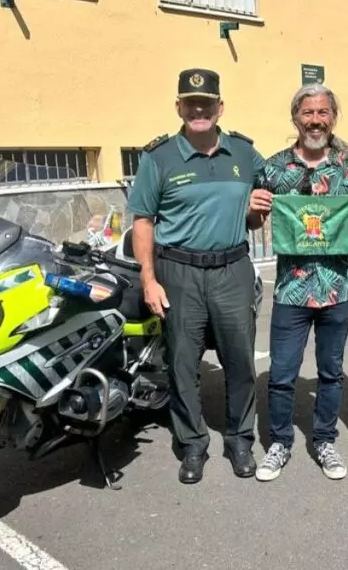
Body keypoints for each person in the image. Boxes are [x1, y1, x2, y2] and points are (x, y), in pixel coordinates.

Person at [127, 68, 265, 485]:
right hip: (178, 273)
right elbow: (143, 222)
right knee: (183, 363)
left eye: (207, 103)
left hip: (232, 269)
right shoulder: (159, 157)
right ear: (179, 108)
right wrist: (149, 280)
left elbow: (263, 210)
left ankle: (240, 439)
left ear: (220, 107)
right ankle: (192, 444)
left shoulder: (244, 154)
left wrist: (257, 211)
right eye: (191, 103)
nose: (199, 110)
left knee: (240, 359)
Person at [246, 83, 348, 482]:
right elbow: (254, 223)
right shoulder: (273, 168)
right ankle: (280, 444)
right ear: (295, 118)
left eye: (323, 113)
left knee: (330, 372)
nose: (315, 120)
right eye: (308, 113)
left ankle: (324, 440)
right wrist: (252, 210)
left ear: (333, 117)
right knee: (283, 373)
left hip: (338, 286)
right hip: (290, 288)